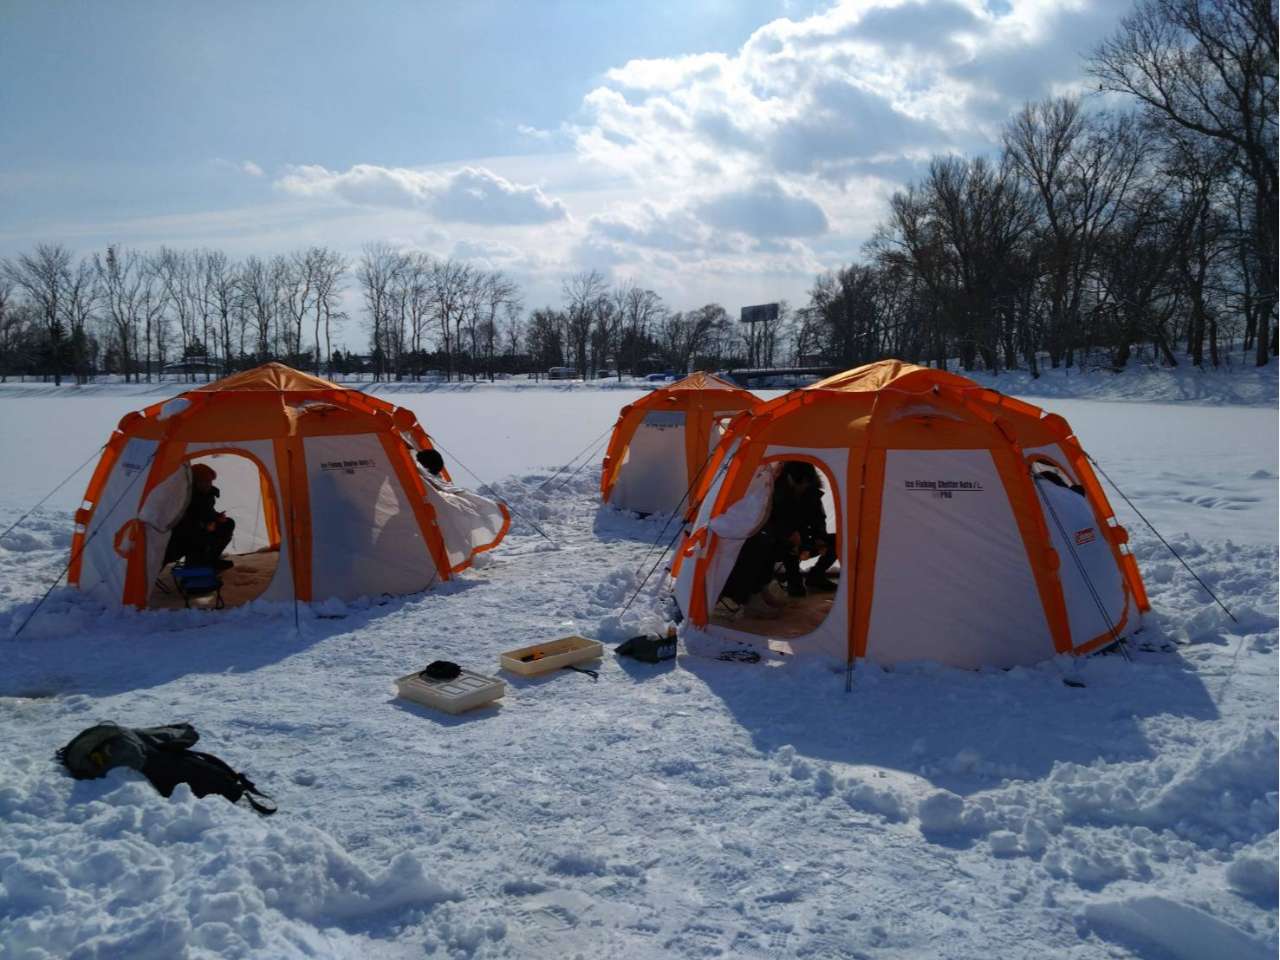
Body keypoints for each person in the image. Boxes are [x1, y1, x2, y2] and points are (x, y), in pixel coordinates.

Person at [720, 461, 839, 618]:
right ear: (789, 477)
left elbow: (818, 519)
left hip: (803, 540)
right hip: (780, 539)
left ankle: (815, 577)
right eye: (798, 483)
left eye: (804, 484)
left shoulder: (813, 493)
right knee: (775, 545)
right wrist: (790, 534)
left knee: (837, 541)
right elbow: (767, 522)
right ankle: (766, 590)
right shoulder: (774, 491)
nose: (801, 487)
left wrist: (818, 538)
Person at [164, 463, 235, 570]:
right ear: (194, 481)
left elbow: (207, 512)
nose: (209, 484)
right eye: (205, 481)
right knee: (200, 535)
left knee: (228, 523)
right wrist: (203, 526)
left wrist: (217, 517)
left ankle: (211, 560)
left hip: (203, 528)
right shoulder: (183, 495)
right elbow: (181, 521)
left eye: (211, 481)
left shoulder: (208, 494)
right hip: (182, 537)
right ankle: (195, 570)